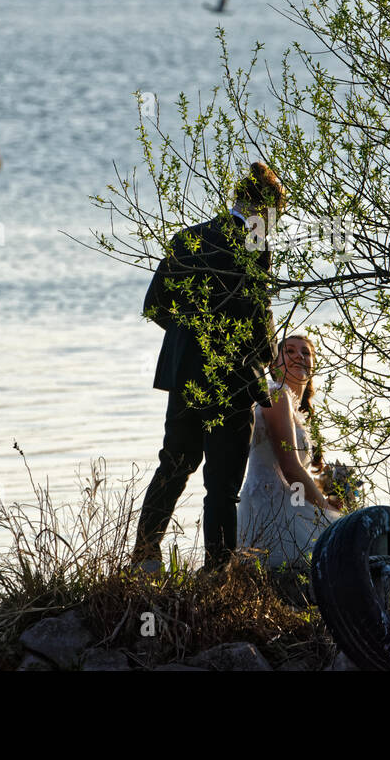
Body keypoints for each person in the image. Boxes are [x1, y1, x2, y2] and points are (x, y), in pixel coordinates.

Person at [132, 161, 285, 570]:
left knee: (175, 463)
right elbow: (258, 315)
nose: (272, 227)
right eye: (275, 218)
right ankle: (218, 570)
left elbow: (154, 307)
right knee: (221, 484)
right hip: (233, 379)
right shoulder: (255, 244)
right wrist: (268, 356)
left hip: (185, 375)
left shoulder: (187, 239)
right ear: (265, 210)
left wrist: (191, 339)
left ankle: (145, 556)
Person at [237, 334, 344, 568]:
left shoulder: (297, 409)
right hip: (269, 508)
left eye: (306, 352)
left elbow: (294, 484)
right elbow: (290, 469)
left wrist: (317, 503)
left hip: (287, 505)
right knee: (345, 540)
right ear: (274, 364)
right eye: (290, 351)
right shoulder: (276, 394)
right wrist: (324, 508)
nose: (299, 356)